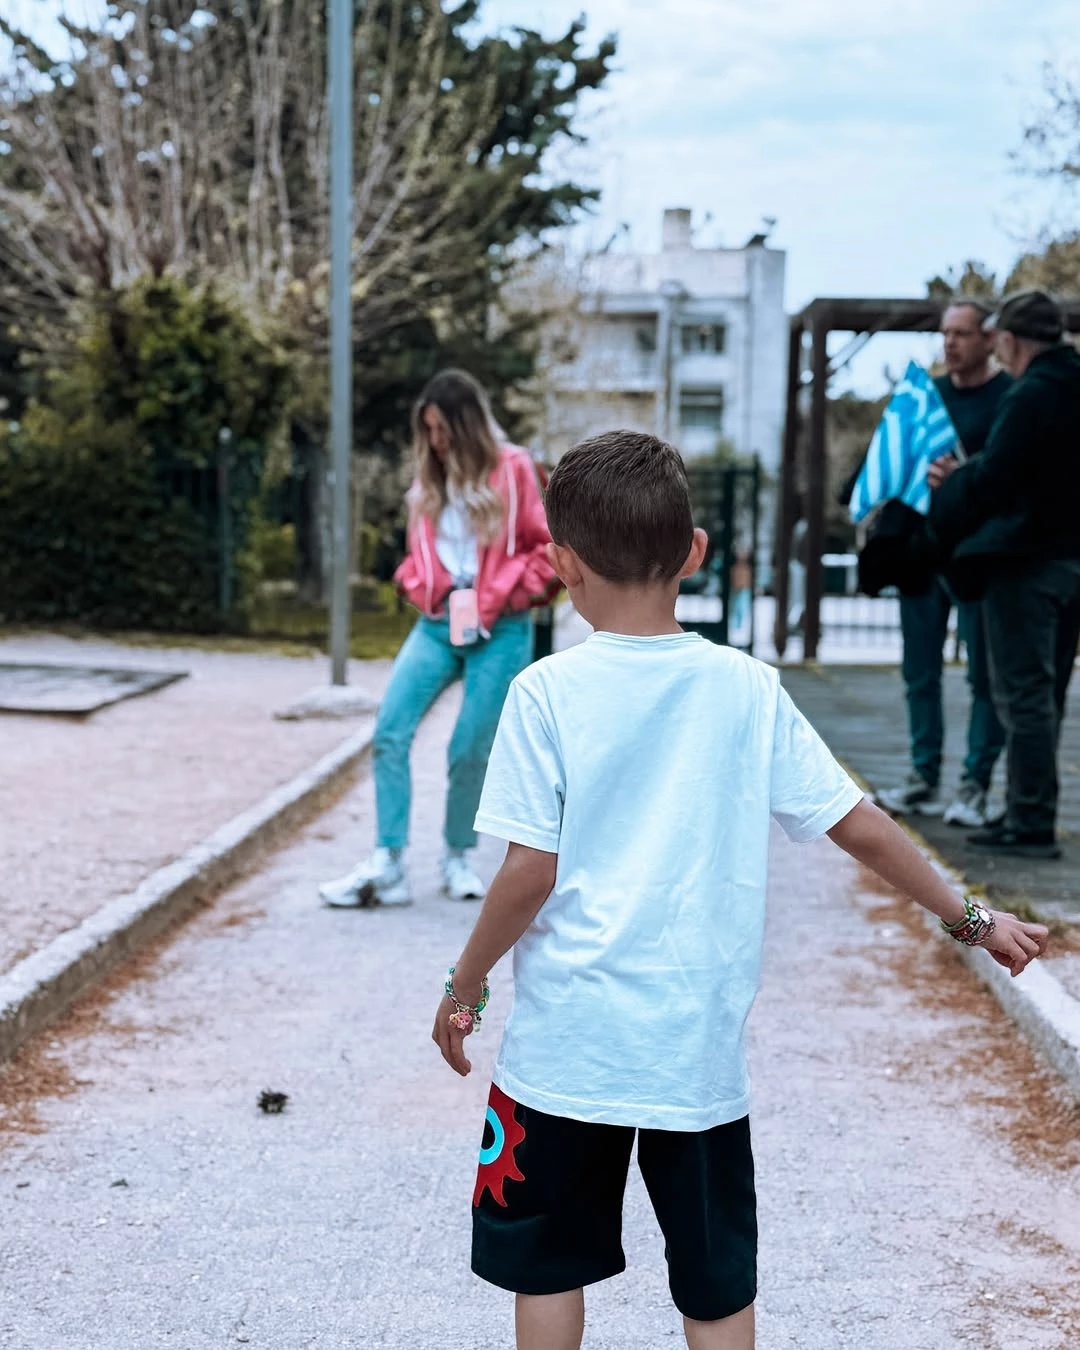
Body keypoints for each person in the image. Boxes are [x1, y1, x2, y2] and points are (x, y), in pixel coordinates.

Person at [430, 430, 1048, 1350]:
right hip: (696, 1054)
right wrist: (973, 916)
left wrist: (465, 983)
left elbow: (530, 871)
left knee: (547, 1265)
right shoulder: (746, 688)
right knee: (716, 1287)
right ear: (694, 553)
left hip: (567, 1054)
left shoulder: (545, 693)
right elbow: (858, 820)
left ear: (561, 565)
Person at [319, 370, 560, 908]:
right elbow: (416, 556)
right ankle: (388, 862)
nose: (436, 441)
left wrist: (508, 593)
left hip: (501, 626)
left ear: (468, 423)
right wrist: (419, 584)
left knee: (469, 746)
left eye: (444, 428)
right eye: (428, 430)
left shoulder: (514, 468)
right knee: (390, 730)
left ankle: (456, 857)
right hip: (438, 623)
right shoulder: (429, 480)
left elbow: (546, 548)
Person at [930, 289, 1080, 859]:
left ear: (1011, 342)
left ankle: (1030, 821)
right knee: (1049, 694)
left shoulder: (1030, 395)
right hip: (1072, 565)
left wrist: (956, 481)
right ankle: (1028, 808)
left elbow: (997, 479)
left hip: (1025, 565)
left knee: (1021, 695)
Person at [876, 298, 1010, 826]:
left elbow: (1013, 474)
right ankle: (921, 776)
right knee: (919, 674)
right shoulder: (925, 397)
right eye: (945, 333)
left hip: (978, 561)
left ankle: (974, 786)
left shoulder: (1010, 399)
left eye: (961, 333)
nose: (950, 343)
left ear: (990, 339)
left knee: (985, 677)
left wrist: (966, 476)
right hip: (922, 558)